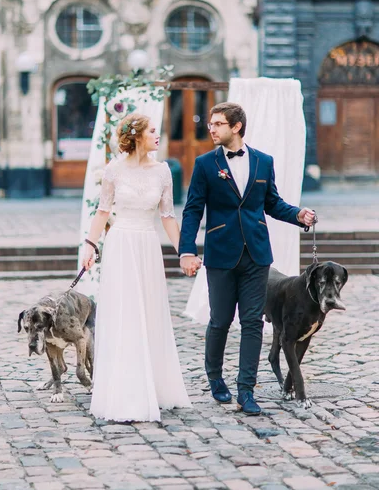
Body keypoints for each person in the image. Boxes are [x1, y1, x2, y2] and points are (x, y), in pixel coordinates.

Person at [179, 102, 315, 416]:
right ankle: (215, 377)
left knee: (252, 322)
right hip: (221, 255)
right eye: (211, 124)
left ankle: (246, 390)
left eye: (217, 124)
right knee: (220, 321)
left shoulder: (263, 162)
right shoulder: (204, 165)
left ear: (236, 126)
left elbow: (273, 203)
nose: (211, 128)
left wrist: (299, 215)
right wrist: (187, 250)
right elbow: (192, 211)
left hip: (256, 256)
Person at [82, 112, 191, 422]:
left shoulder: (163, 171)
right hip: (120, 245)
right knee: (124, 313)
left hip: (147, 244)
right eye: (153, 131)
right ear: (138, 136)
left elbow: (168, 217)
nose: (158, 136)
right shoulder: (114, 170)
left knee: (150, 311)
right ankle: (124, 389)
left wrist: (184, 252)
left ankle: (155, 385)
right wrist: (89, 247)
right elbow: (102, 212)